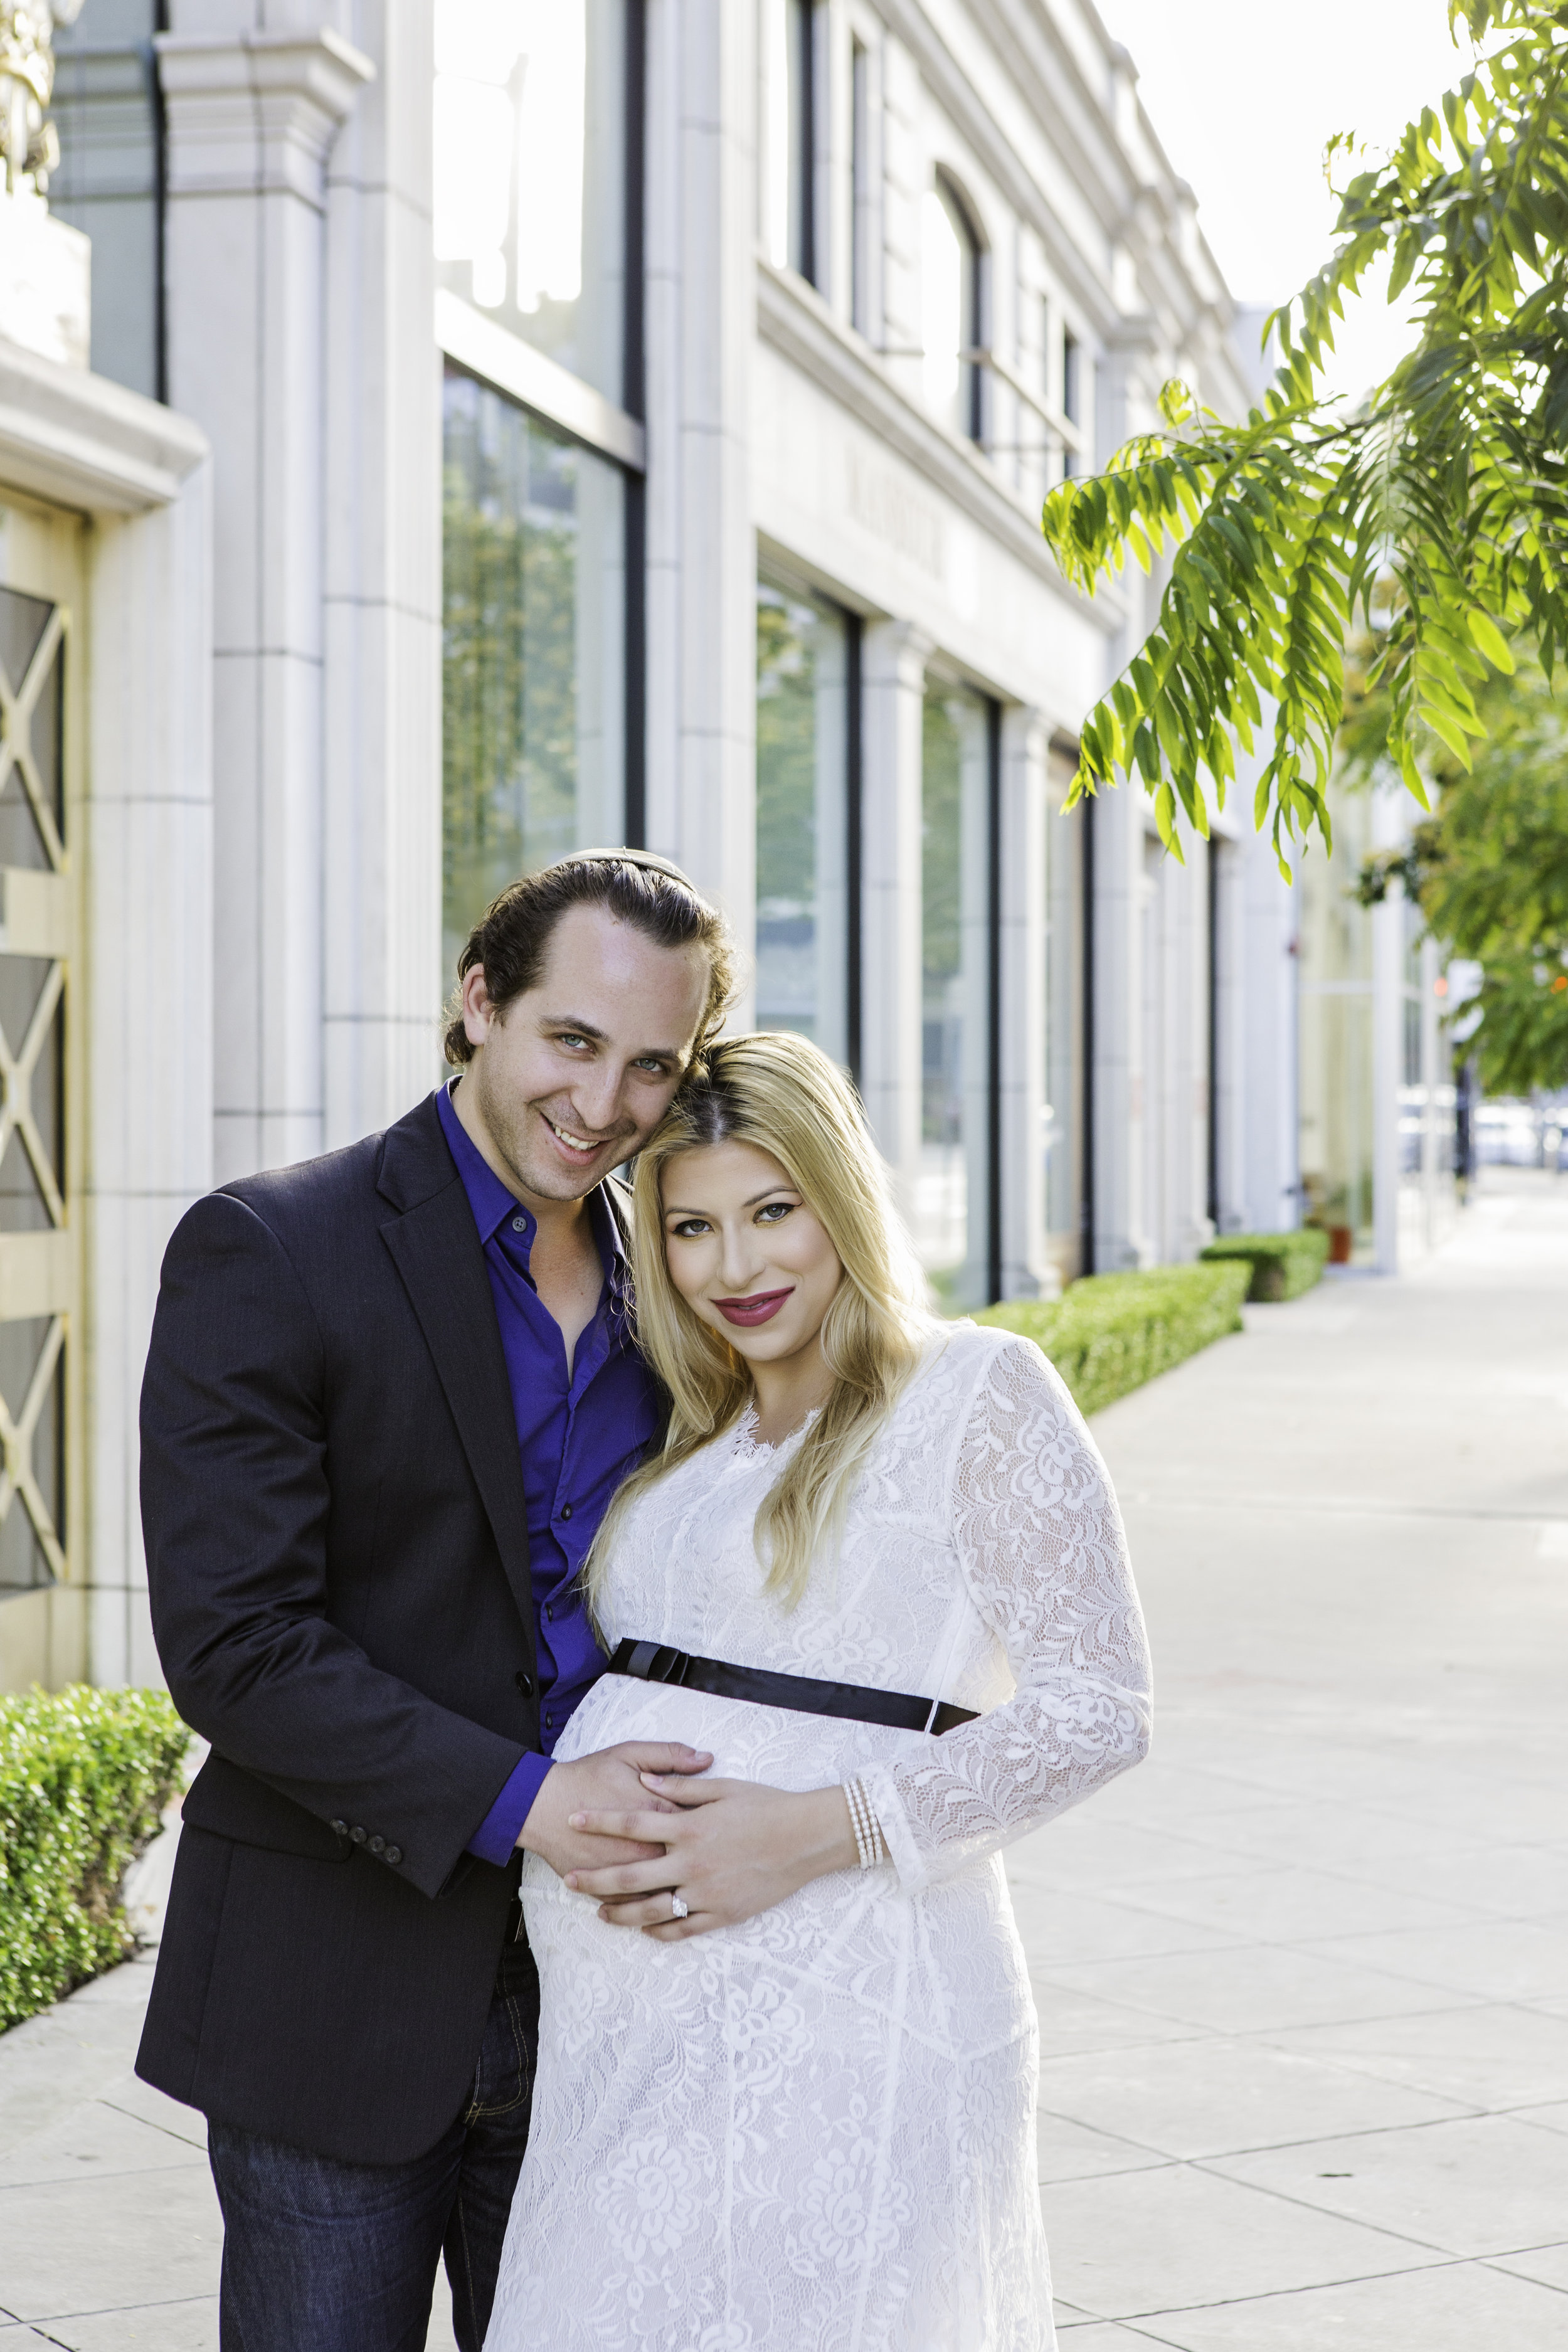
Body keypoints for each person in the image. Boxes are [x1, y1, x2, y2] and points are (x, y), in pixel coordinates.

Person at [135, 850, 740, 2352]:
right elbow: (235, 1646)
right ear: (478, 1004)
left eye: (650, 1066)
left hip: (610, 1992)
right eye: (572, 1042)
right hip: (337, 1983)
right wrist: (528, 1800)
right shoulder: (270, 1249)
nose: (602, 1107)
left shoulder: (677, 1282)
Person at [484, 1029, 1153, 2352]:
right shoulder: (684, 1437)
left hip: (861, 2023)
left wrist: (802, 1834)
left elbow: (1098, 1710)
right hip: (623, 2059)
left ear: (838, 1196)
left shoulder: (973, 1393)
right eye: (689, 1228)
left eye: (771, 1212)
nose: (734, 1266)